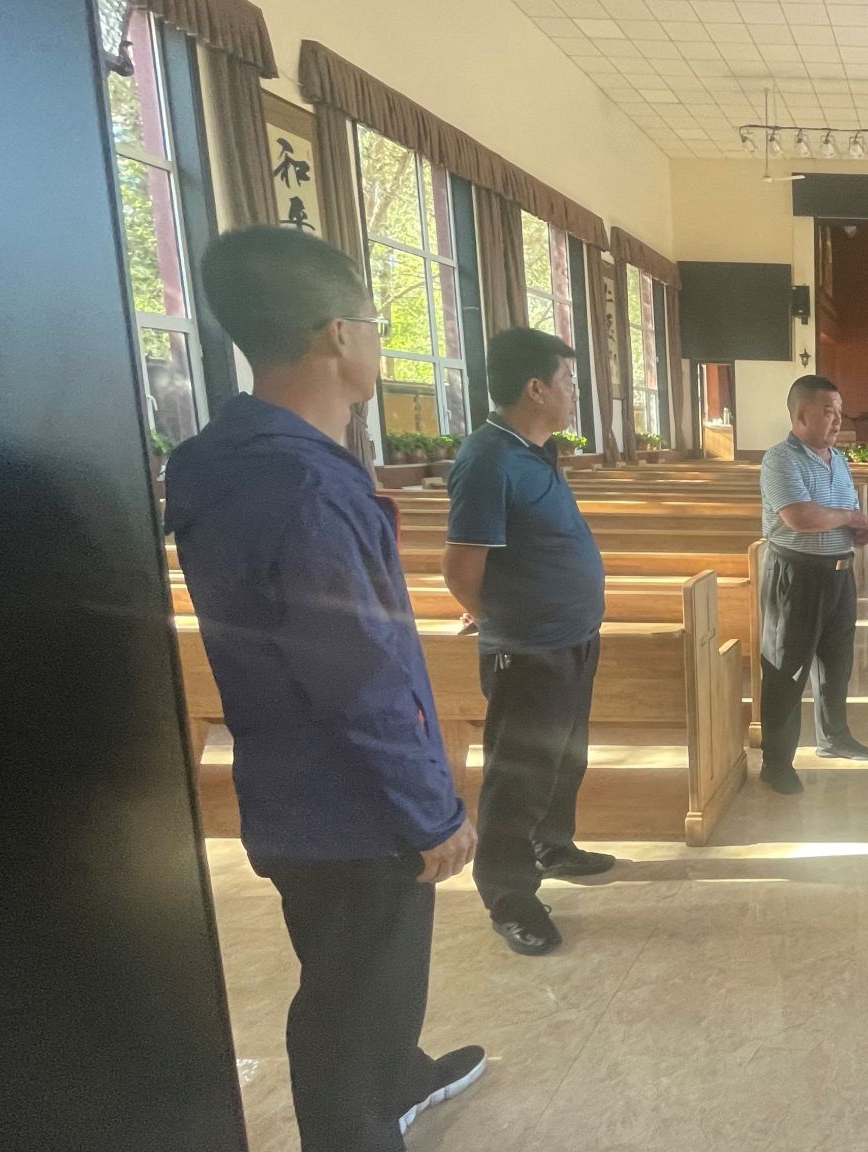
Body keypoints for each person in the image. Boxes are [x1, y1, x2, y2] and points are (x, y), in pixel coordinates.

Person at [167, 226, 484, 1151]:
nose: (378, 344)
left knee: (361, 972)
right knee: (353, 997)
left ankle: (400, 1076)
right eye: (375, 326)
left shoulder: (223, 456)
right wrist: (429, 809)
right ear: (338, 335)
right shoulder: (304, 485)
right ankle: (358, 1123)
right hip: (355, 805)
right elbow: (359, 672)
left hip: (294, 788)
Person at [441, 328, 612, 957]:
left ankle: (553, 846)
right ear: (535, 388)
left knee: (565, 759)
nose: (575, 393)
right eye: (568, 381)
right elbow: (460, 568)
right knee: (519, 774)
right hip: (530, 649)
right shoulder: (488, 458)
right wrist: (502, 621)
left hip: (573, 639)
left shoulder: (534, 451)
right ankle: (509, 895)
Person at [757, 374, 868, 794]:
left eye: (840, 412)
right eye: (828, 411)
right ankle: (776, 763)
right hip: (797, 575)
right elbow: (801, 518)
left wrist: (860, 529)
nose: (838, 420)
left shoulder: (837, 460)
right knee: (786, 669)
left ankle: (834, 738)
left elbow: (848, 509)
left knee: (836, 663)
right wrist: (849, 518)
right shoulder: (781, 460)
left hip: (839, 574)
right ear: (800, 415)